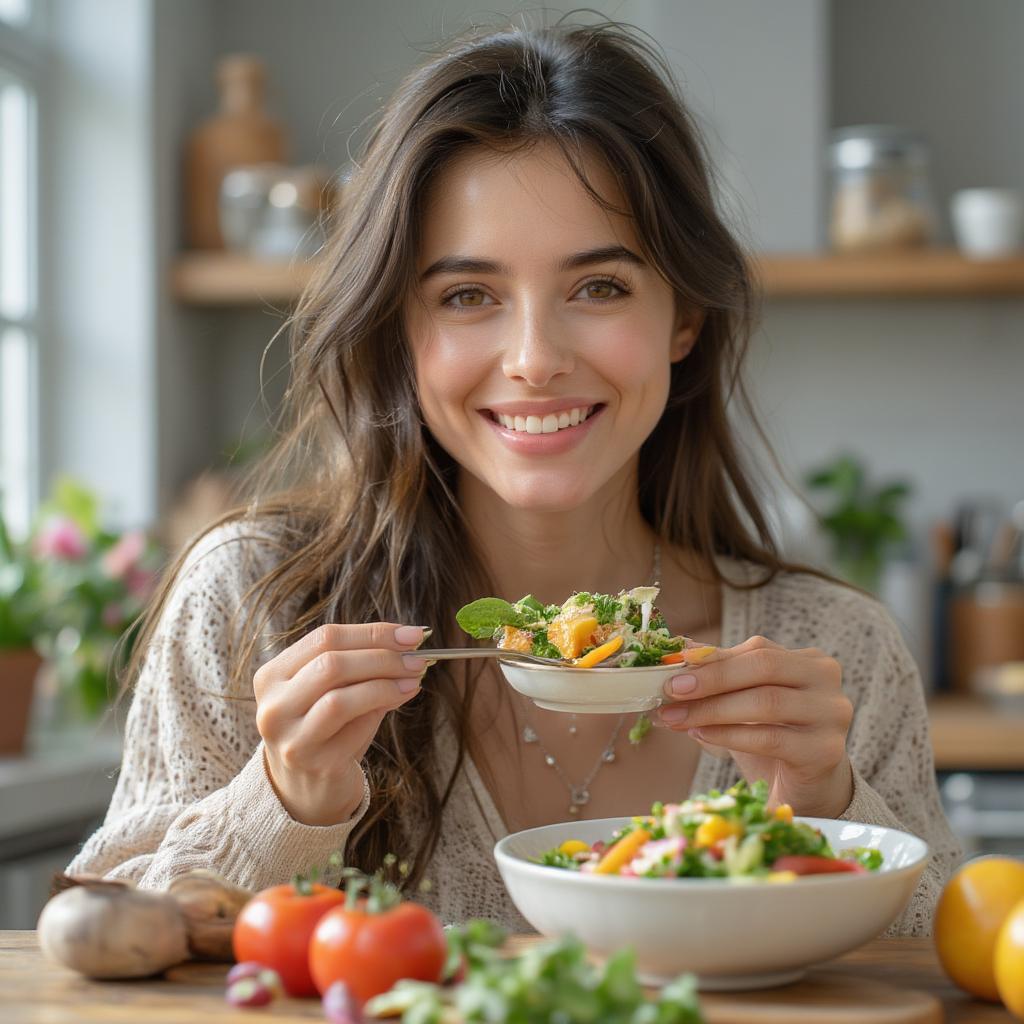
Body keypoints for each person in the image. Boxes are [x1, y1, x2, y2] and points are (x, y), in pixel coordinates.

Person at [69, 19, 959, 935]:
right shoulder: (253, 602)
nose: (534, 360)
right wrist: (282, 803)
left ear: (683, 319)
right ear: (398, 331)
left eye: (599, 287)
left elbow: (959, 962)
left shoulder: (838, 650)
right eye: (467, 296)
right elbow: (106, 951)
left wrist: (828, 809)